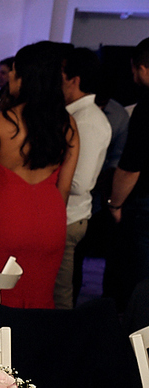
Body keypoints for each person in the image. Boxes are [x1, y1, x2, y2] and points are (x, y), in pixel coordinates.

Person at [0, 42, 78, 309]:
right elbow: (64, 187)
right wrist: (50, 220)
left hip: (6, 218)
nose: (10, 78)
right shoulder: (68, 123)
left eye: (13, 71)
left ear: (26, 77)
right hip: (51, 219)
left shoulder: (1, 121)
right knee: (40, 297)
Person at [55, 47, 111, 310]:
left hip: (70, 215)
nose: (59, 80)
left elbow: (81, 182)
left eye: (62, 74)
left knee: (61, 293)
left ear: (74, 80)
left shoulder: (87, 120)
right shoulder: (79, 115)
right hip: (69, 214)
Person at [108, 37, 149, 304]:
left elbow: (131, 165)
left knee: (140, 283)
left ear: (142, 68)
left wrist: (115, 203)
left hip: (145, 205)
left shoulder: (146, 106)